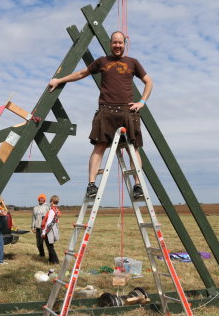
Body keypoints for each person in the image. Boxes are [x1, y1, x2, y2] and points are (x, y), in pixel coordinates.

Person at [49, 31, 153, 199]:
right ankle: (91, 185)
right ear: (110, 44)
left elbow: (149, 82)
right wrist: (59, 80)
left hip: (127, 111)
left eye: (120, 43)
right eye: (115, 43)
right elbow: (82, 73)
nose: (117, 45)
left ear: (124, 44)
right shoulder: (102, 61)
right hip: (106, 110)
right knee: (99, 147)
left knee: (133, 148)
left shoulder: (133, 62)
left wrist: (142, 102)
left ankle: (137, 186)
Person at [41, 195, 61, 264]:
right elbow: (57, 221)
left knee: (50, 246)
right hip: (54, 229)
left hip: (49, 230)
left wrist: (44, 232)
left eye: (50, 201)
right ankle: (51, 260)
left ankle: (55, 261)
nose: (50, 202)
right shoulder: (57, 210)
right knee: (50, 245)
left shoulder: (51, 211)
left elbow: (48, 222)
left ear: (52, 201)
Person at [31, 193, 50, 258]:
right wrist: (33, 227)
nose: (41, 199)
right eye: (40, 198)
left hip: (44, 228)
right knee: (38, 243)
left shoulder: (47, 207)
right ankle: (41, 254)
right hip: (37, 227)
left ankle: (49, 255)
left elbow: (50, 217)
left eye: (43, 198)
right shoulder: (35, 207)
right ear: (38, 199)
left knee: (45, 242)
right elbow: (33, 217)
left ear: (44, 200)